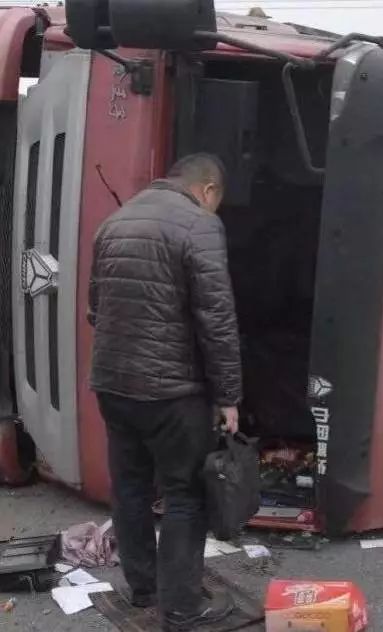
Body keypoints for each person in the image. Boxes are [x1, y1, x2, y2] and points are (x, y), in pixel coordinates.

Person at [88, 154, 242, 631]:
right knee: (185, 494)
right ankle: (181, 608)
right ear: (208, 190)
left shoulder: (114, 222)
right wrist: (228, 396)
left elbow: (95, 307)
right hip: (172, 392)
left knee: (130, 487)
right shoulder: (200, 225)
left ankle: (144, 589)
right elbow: (216, 320)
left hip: (113, 384)